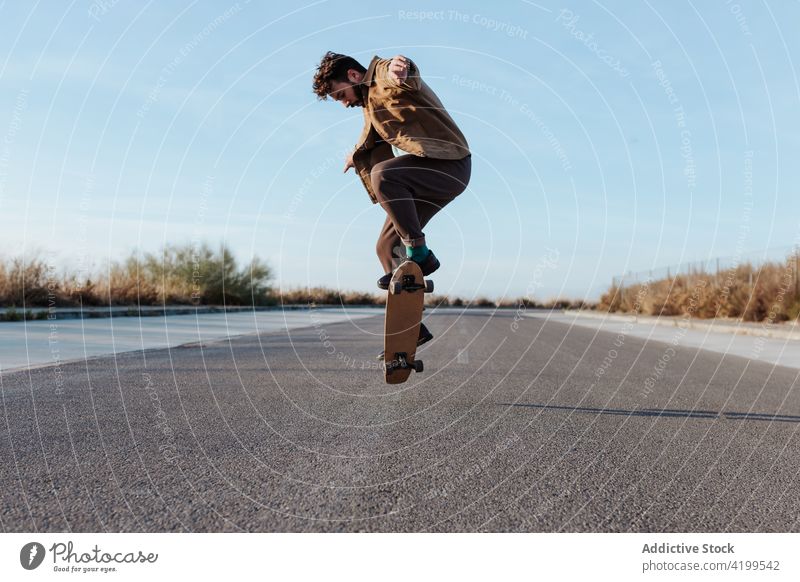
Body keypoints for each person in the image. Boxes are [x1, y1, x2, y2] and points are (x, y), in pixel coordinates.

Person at [313, 51, 471, 356]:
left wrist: (404, 66)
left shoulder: (384, 76)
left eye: (341, 95)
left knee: (383, 174)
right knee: (386, 247)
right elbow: (368, 138)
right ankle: (410, 330)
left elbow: (401, 73)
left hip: (450, 165)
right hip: (429, 177)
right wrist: (353, 155)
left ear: (355, 76)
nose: (344, 103)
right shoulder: (370, 104)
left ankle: (420, 253)